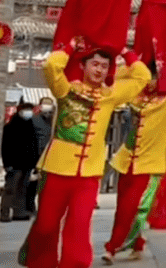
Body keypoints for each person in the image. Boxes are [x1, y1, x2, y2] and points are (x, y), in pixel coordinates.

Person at [17, 43, 151, 268]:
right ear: (83, 65)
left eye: (105, 66)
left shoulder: (110, 96)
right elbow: (51, 65)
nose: (99, 70)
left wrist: (124, 52)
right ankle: (41, 263)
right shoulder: (66, 90)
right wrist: (69, 47)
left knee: (79, 224)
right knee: (47, 224)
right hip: (57, 168)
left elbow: (142, 77)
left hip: (88, 173)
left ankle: (75, 264)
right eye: (95, 64)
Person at [102, 67, 166, 263]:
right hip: (127, 162)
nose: (151, 81)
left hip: (150, 164)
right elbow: (116, 78)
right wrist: (136, 63)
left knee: (136, 207)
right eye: (149, 76)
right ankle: (137, 244)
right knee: (123, 207)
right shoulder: (135, 97)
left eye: (156, 77)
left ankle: (113, 247)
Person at [1, 101, 40, 222]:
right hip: (14, 165)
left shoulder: (31, 126)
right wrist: (7, 164)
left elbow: (35, 146)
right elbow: (5, 148)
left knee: (23, 190)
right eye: (26, 110)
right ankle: (5, 213)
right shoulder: (10, 127)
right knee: (10, 190)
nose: (28, 112)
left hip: (28, 165)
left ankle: (19, 213)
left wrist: (36, 164)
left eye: (30, 110)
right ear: (19, 111)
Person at [28, 97, 55, 214]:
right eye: (45, 104)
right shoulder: (34, 119)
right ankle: (30, 206)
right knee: (32, 183)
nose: (47, 106)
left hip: (50, 156)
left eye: (49, 104)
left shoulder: (55, 119)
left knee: (47, 185)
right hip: (36, 154)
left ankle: (44, 208)